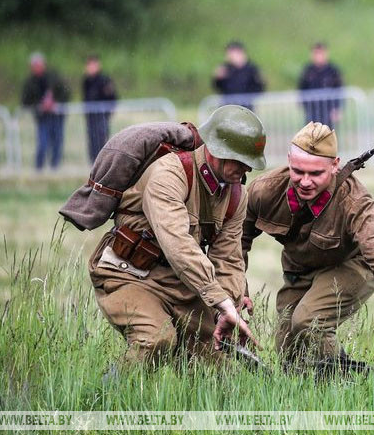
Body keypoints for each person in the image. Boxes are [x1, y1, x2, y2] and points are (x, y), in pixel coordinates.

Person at [87, 105, 267, 366]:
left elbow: (228, 259)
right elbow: (177, 244)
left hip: (182, 283)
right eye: (240, 160)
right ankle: (102, 401)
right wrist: (219, 300)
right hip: (129, 273)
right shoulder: (169, 173)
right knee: (156, 340)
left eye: (250, 163)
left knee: (220, 366)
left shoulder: (236, 196)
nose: (246, 170)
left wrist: (226, 309)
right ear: (217, 150)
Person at [241, 122, 374, 366]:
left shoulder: (355, 202)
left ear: (335, 165)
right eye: (298, 171)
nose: (305, 181)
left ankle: (341, 379)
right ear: (288, 160)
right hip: (300, 269)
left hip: (350, 265)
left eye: (316, 174)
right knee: (287, 350)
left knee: (309, 321)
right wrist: (235, 288)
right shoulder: (264, 191)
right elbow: (235, 241)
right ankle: (314, 389)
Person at [21, 52, 71, 171]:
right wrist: (39, 105)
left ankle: (55, 168)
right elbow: (25, 100)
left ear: (44, 64)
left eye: (39, 64)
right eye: (35, 65)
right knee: (43, 144)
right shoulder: (30, 82)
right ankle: (39, 169)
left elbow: (66, 92)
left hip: (56, 117)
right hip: (42, 118)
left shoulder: (53, 77)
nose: (37, 67)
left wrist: (56, 103)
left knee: (57, 143)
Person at [297, 43, 344, 129]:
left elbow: (339, 90)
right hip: (312, 112)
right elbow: (302, 89)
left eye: (320, 53)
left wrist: (337, 109)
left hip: (328, 112)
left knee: (327, 137)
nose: (318, 56)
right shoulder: (307, 70)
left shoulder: (333, 70)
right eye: (316, 53)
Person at [82, 54, 118, 163]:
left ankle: (103, 163)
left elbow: (112, 97)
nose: (91, 67)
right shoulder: (86, 81)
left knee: (102, 141)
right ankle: (93, 164)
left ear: (98, 65)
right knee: (92, 141)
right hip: (91, 117)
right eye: (89, 65)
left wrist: (109, 111)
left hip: (102, 116)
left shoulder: (104, 79)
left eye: (93, 65)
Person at [212, 41, 266, 108]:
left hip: (246, 107)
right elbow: (218, 87)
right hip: (227, 106)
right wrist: (218, 78)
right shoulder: (226, 68)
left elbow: (260, 88)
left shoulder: (252, 68)